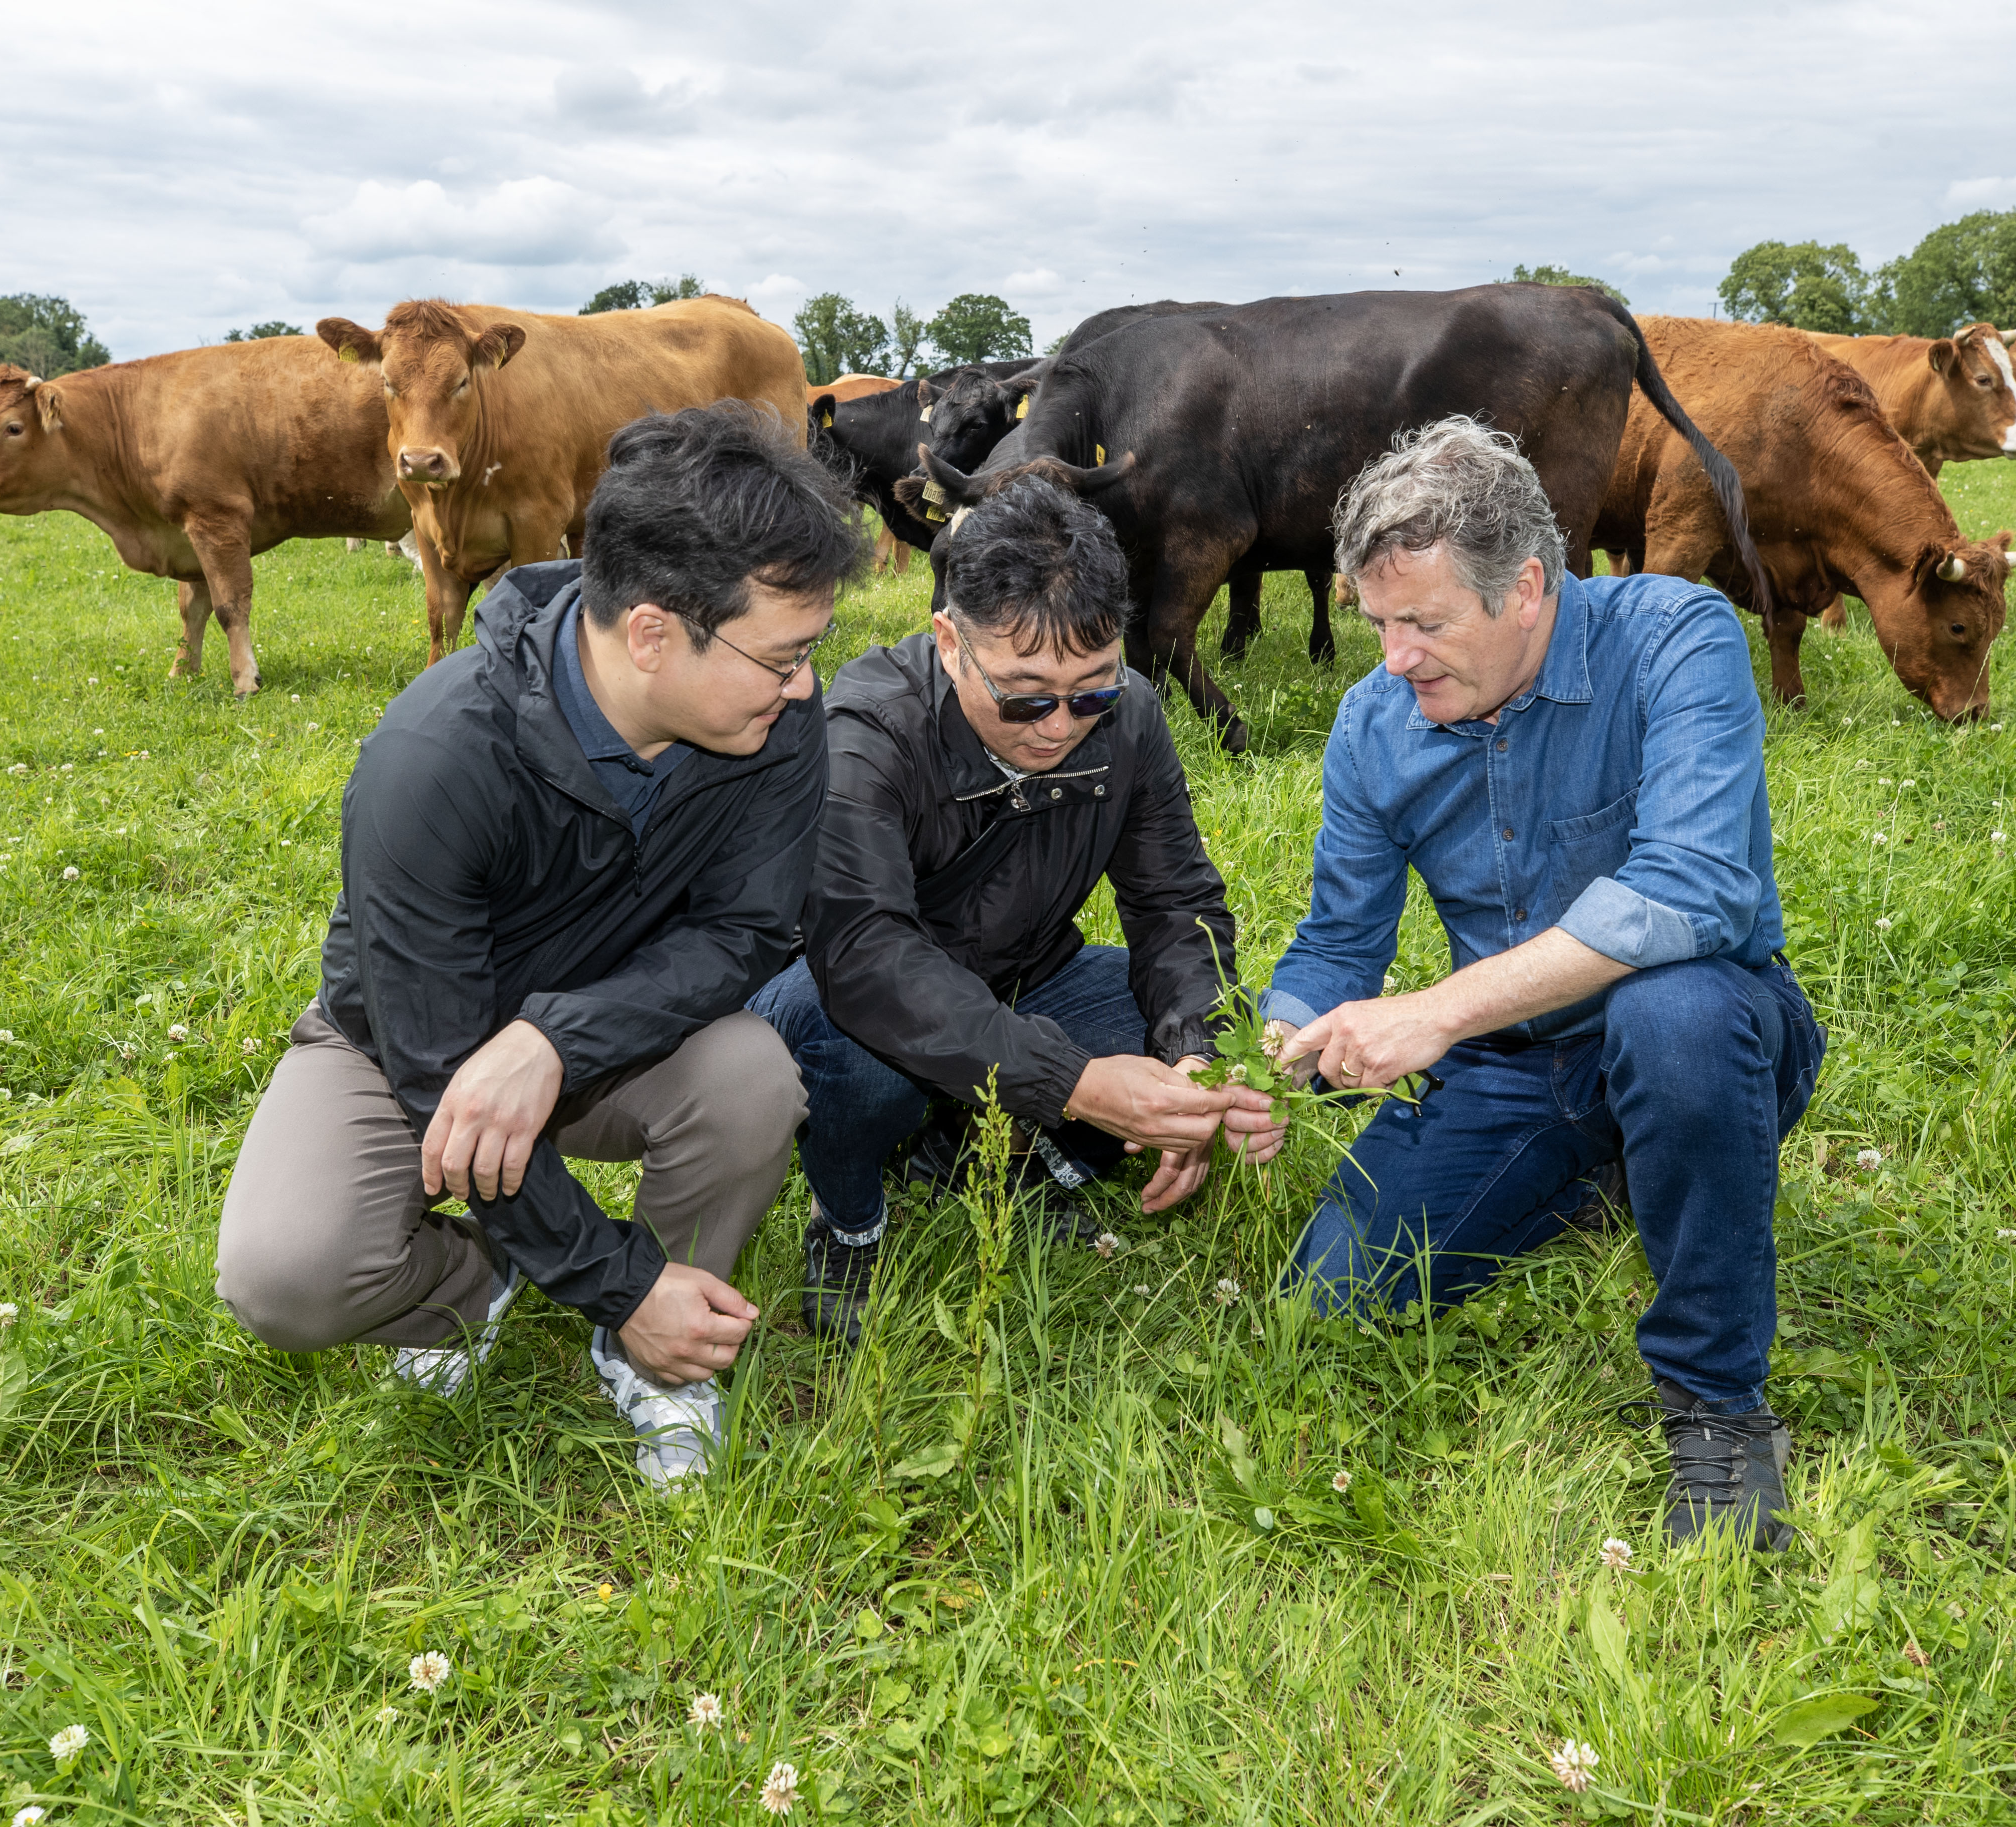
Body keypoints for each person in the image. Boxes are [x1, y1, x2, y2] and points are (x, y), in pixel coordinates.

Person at [216, 404, 864, 1489]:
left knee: (753, 1075)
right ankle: (482, 1285)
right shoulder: (434, 757)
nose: (805, 686)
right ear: (652, 632)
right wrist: (608, 1273)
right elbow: (431, 1064)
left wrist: (558, 1038)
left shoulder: (775, 725)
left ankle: (660, 1354)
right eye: (782, 655)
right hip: (402, 1054)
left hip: (621, 1040)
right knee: (288, 1275)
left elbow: (749, 930)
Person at [1263, 419, 1825, 1549]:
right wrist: (1274, 1050)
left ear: (1527, 587)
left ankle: (1717, 1411)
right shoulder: (1375, 722)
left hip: (1711, 1027)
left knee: (1671, 1012)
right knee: (1330, 1299)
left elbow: (1696, 889)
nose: (1394, 659)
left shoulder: (1674, 635)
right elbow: (1338, 940)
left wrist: (1436, 1013)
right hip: (1518, 1062)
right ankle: (1610, 1171)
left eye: (1423, 623)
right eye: (1376, 622)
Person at [750, 475, 1282, 1342]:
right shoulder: (864, 734)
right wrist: (1073, 1085)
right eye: (1026, 694)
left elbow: (1175, 903)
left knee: (1189, 1013)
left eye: (1093, 691)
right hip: (843, 991)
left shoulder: (1135, 721)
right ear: (950, 642)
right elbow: (868, 957)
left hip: (1022, 979)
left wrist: (1195, 1057)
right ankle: (848, 1218)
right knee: (855, 1041)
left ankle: (975, 1157)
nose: (1060, 724)